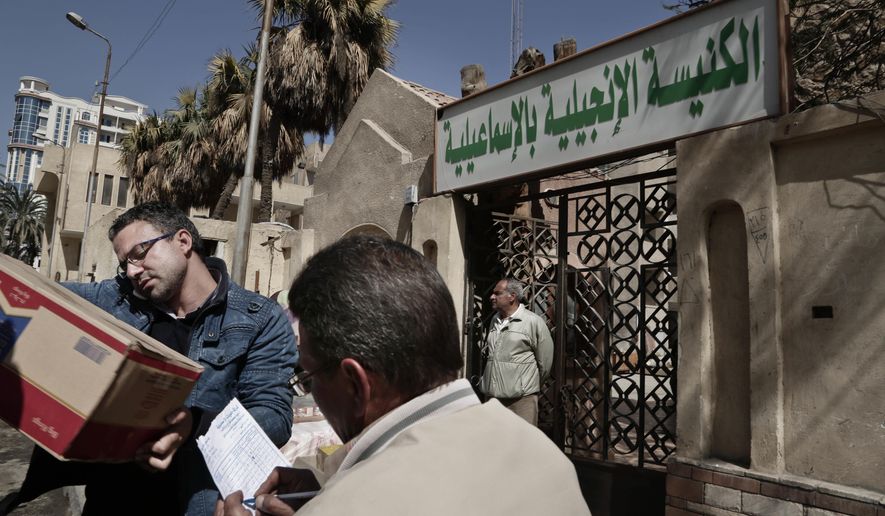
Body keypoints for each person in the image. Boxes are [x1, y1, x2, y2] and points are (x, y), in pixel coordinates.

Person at [217, 236, 590, 516]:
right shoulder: (544, 453)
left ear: (355, 384)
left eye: (309, 376)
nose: (310, 389)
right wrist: (329, 486)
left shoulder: (350, 507)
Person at [9, 202, 297, 516]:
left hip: (194, 501)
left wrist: (198, 423)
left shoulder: (259, 318)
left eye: (140, 252)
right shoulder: (116, 299)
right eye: (125, 264)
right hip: (109, 501)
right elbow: (40, 298)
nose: (132, 271)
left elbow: (274, 416)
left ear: (183, 241)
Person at [478, 277, 554, 426]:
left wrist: (527, 386)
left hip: (521, 400)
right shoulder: (495, 319)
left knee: (522, 444)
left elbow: (545, 362)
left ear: (512, 296)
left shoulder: (533, 322)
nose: (491, 297)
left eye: (497, 293)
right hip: (493, 397)